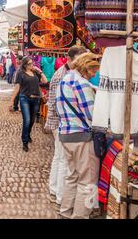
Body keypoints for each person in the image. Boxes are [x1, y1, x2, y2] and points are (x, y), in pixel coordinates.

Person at [56, 52, 100, 219]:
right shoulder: (82, 84)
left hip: (66, 135)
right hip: (81, 136)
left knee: (72, 176)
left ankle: (65, 213)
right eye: (92, 71)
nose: (94, 74)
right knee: (87, 182)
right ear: (85, 68)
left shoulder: (65, 80)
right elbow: (92, 114)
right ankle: (81, 216)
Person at [45, 46, 87, 206]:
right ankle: (61, 196)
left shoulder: (68, 73)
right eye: (78, 60)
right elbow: (56, 104)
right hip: (61, 123)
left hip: (62, 122)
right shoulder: (61, 75)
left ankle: (55, 190)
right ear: (70, 59)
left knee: (59, 157)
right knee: (63, 160)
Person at [10, 56, 48, 152]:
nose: (32, 65)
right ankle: (25, 141)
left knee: (32, 121)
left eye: (32, 63)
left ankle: (28, 133)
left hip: (36, 100)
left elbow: (45, 81)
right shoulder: (20, 74)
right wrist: (12, 101)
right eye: (29, 64)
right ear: (25, 65)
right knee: (26, 120)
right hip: (25, 99)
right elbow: (17, 87)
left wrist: (40, 71)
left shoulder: (35, 72)